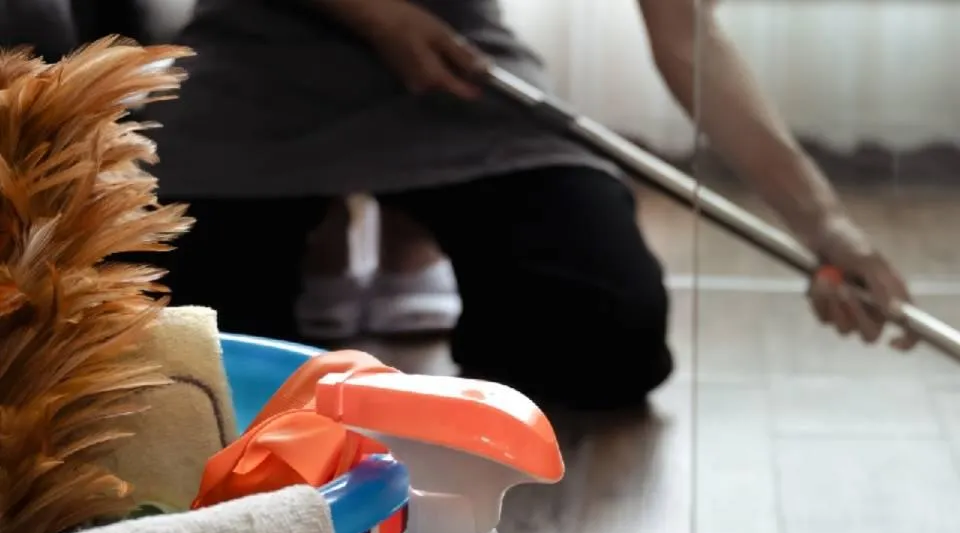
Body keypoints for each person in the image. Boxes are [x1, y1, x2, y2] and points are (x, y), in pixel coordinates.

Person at [151, 0, 915, 411]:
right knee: (192, 368)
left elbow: (689, 38)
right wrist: (380, 15)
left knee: (604, 339)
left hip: (459, 66)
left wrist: (826, 224)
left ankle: (409, 234)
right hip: (257, 57)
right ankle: (328, 239)